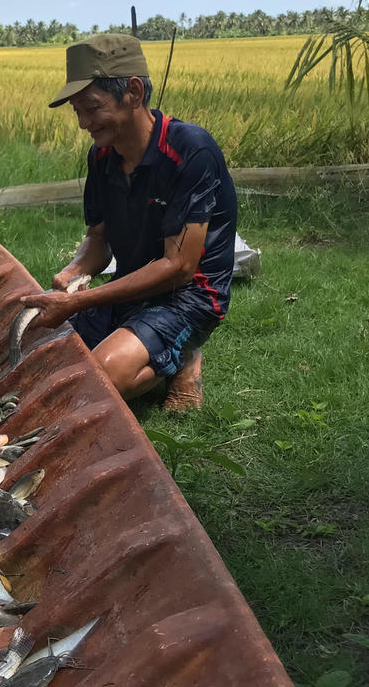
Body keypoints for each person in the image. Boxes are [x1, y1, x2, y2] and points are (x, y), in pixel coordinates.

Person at [17, 34, 236, 411]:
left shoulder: (191, 151)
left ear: (133, 92)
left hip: (190, 296)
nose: (84, 123)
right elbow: (98, 237)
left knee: (102, 374)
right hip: (132, 288)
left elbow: (179, 267)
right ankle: (153, 344)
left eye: (92, 107)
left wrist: (81, 301)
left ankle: (182, 358)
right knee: (42, 350)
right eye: (77, 112)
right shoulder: (102, 156)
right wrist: (74, 270)